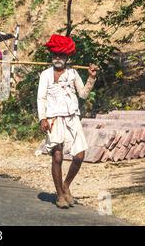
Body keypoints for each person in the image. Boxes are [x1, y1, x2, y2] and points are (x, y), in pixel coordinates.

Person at [37, 34, 98, 209]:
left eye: (61, 56)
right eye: (55, 55)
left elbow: (83, 94)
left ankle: (66, 185)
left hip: (72, 118)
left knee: (79, 156)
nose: (57, 59)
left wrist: (91, 78)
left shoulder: (73, 74)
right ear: (52, 56)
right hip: (53, 120)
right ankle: (59, 195)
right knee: (57, 156)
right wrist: (42, 118)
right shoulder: (45, 75)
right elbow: (41, 98)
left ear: (66, 58)